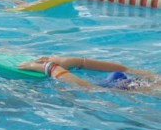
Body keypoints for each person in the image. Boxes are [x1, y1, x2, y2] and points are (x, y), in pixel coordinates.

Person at [17, 55, 160, 91]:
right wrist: (75, 61)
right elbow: (126, 70)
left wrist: (52, 68)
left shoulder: (153, 90)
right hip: (119, 84)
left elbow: (90, 90)